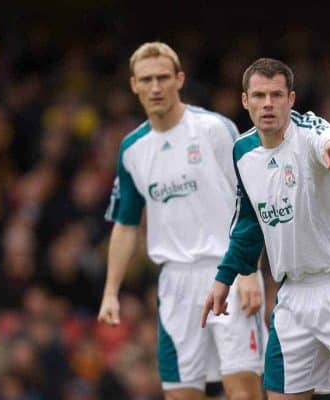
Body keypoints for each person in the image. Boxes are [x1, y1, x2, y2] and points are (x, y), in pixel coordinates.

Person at [202, 58, 330, 400]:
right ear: (245, 100)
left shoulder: (310, 132)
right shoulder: (242, 151)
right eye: (259, 96)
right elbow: (249, 222)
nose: (268, 104)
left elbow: (326, 138)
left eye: (277, 95)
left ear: (291, 99)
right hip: (293, 293)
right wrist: (224, 278)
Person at [97, 42, 266, 400]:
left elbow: (252, 199)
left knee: (244, 391)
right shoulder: (133, 149)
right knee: (180, 394)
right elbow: (126, 225)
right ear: (134, 85)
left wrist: (250, 270)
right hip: (174, 282)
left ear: (179, 79)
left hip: (230, 271)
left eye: (162, 78)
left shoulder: (214, 129)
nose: (155, 87)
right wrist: (111, 291)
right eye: (147, 80)